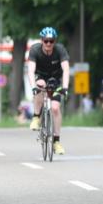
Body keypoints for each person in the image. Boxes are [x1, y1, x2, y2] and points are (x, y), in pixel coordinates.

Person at [27, 27, 70, 155]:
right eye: (46, 41)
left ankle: (56, 142)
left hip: (55, 79)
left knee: (56, 108)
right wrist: (33, 86)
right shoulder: (35, 50)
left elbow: (66, 70)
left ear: (54, 41)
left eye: (51, 41)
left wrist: (65, 87)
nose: (48, 44)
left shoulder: (60, 50)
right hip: (40, 77)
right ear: (42, 40)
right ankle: (36, 117)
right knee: (39, 85)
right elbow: (30, 70)